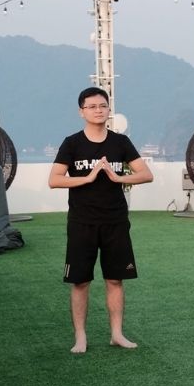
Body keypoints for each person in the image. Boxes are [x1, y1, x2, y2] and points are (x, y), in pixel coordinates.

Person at [49, 86, 154, 354]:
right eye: (92, 106)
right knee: (80, 281)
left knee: (115, 279)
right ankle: (80, 337)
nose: (98, 110)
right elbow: (55, 180)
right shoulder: (72, 143)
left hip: (115, 221)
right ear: (81, 111)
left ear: (109, 109)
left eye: (103, 106)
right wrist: (88, 177)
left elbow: (145, 174)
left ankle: (117, 334)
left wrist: (119, 177)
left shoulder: (120, 142)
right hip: (82, 222)